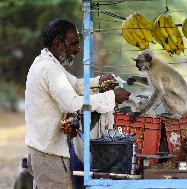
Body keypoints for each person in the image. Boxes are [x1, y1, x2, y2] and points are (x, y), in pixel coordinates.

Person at [25, 18, 130, 189]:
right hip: (48, 155)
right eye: (73, 44)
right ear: (58, 43)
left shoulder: (48, 63)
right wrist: (111, 98)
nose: (77, 49)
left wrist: (98, 81)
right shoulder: (48, 68)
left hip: (43, 152)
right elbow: (72, 104)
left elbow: (74, 85)